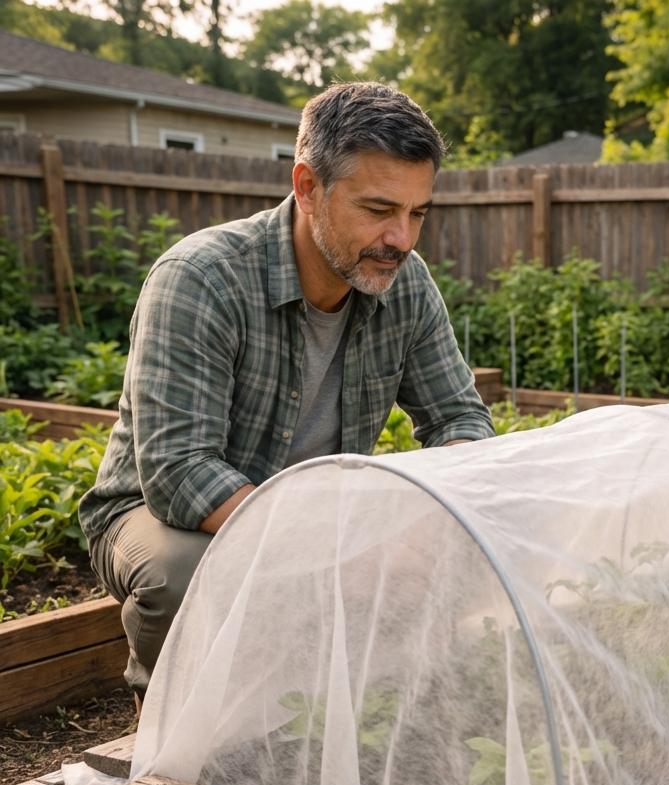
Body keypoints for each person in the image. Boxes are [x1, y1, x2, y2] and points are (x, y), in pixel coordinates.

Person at [79, 82, 495, 708]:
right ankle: (172, 729)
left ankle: (356, 708)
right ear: (307, 187)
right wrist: (333, 546)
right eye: (379, 209)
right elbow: (178, 471)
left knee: (455, 547)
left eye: (417, 214)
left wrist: (432, 516)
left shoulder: (405, 283)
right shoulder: (202, 278)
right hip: (161, 515)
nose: (402, 238)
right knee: (186, 579)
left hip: (317, 508)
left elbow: (458, 417)